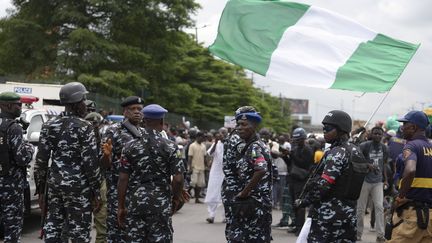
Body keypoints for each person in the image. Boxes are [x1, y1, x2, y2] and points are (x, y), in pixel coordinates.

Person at [34, 82, 101, 242]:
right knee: (79, 231)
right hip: (79, 187)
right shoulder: (85, 127)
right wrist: (96, 191)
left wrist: (41, 189)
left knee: (53, 227)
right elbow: (90, 163)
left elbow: (41, 161)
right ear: (77, 102)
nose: (85, 104)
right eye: (84, 100)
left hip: (55, 186)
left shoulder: (49, 125)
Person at [117, 104, 187, 242]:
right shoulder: (170, 146)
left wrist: (121, 206)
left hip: (135, 203)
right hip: (160, 204)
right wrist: (176, 199)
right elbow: (178, 179)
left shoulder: (129, 146)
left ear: (144, 121)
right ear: (162, 122)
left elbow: (123, 178)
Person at [299, 110, 366, 242]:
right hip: (348, 216)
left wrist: (303, 201)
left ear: (341, 130)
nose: (324, 130)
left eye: (328, 128)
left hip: (328, 217)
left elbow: (324, 184)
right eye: (324, 127)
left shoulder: (336, 152)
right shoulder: (355, 150)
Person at [99, 96, 144, 243]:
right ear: (125, 112)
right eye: (133, 109)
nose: (137, 112)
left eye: (139, 109)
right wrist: (106, 156)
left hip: (139, 193)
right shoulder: (112, 131)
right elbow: (104, 164)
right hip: (118, 192)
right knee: (117, 232)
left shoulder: (144, 133)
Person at [224, 107, 272, 243]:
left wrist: (244, 192)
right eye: (238, 124)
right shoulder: (250, 145)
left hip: (254, 205)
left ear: (254, 126)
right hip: (253, 204)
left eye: (244, 125)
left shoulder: (254, 147)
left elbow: (261, 169)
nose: (239, 128)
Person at [388, 111, 432, 242]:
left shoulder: (411, 146)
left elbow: (411, 169)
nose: (402, 128)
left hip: (412, 217)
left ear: (414, 127)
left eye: (405, 124)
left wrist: (400, 197)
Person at [0, 92, 34, 243]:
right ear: (5, 105)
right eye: (17, 104)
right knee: (12, 228)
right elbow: (22, 158)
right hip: (10, 185)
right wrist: (29, 147)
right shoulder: (14, 128)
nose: (20, 107)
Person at [357, 126, 388, 242]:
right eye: (375, 134)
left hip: (378, 182)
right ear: (371, 134)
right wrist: (367, 165)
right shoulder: (364, 146)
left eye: (380, 134)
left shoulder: (384, 148)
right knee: (360, 209)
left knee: (379, 207)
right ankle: (357, 233)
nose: (378, 136)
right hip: (364, 181)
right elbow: (356, 160)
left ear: (382, 135)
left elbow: (384, 164)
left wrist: (385, 180)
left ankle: (380, 235)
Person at [85, 111, 107, 243]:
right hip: (84, 185)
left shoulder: (105, 140)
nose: (94, 127)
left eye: (96, 124)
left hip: (99, 184)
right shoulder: (79, 139)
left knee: (102, 227)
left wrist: (106, 156)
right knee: (80, 228)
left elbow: (106, 165)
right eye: (92, 124)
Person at [287, 127, 314, 235]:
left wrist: (292, 154)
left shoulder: (307, 150)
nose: (296, 141)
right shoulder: (296, 148)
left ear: (303, 139)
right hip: (293, 179)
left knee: (300, 204)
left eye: (298, 140)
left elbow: (303, 164)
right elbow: (291, 163)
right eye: (295, 140)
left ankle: (300, 228)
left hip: (302, 180)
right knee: (294, 203)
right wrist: (286, 156)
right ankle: (296, 225)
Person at [204, 128, 227, 223]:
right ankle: (211, 215)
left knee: (225, 194)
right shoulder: (216, 143)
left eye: (224, 133)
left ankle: (225, 216)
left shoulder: (229, 144)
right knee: (212, 193)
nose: (222, 134)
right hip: (215, 172)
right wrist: (216, 142)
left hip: (226, 172)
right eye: (220, 133)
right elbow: (210, 153)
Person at [188, 131, 207, 203]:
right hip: (194, 167)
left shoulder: (203, 146)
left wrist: (207, 165)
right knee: (193, 182)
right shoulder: (192, 145)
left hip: (201, 167)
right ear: (198, 137)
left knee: (200, 184)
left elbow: (205, 157)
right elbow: (190, 157)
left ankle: (197, 198)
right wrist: (189, 167)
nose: (203, 139)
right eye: (202, 137)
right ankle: (187, 192)